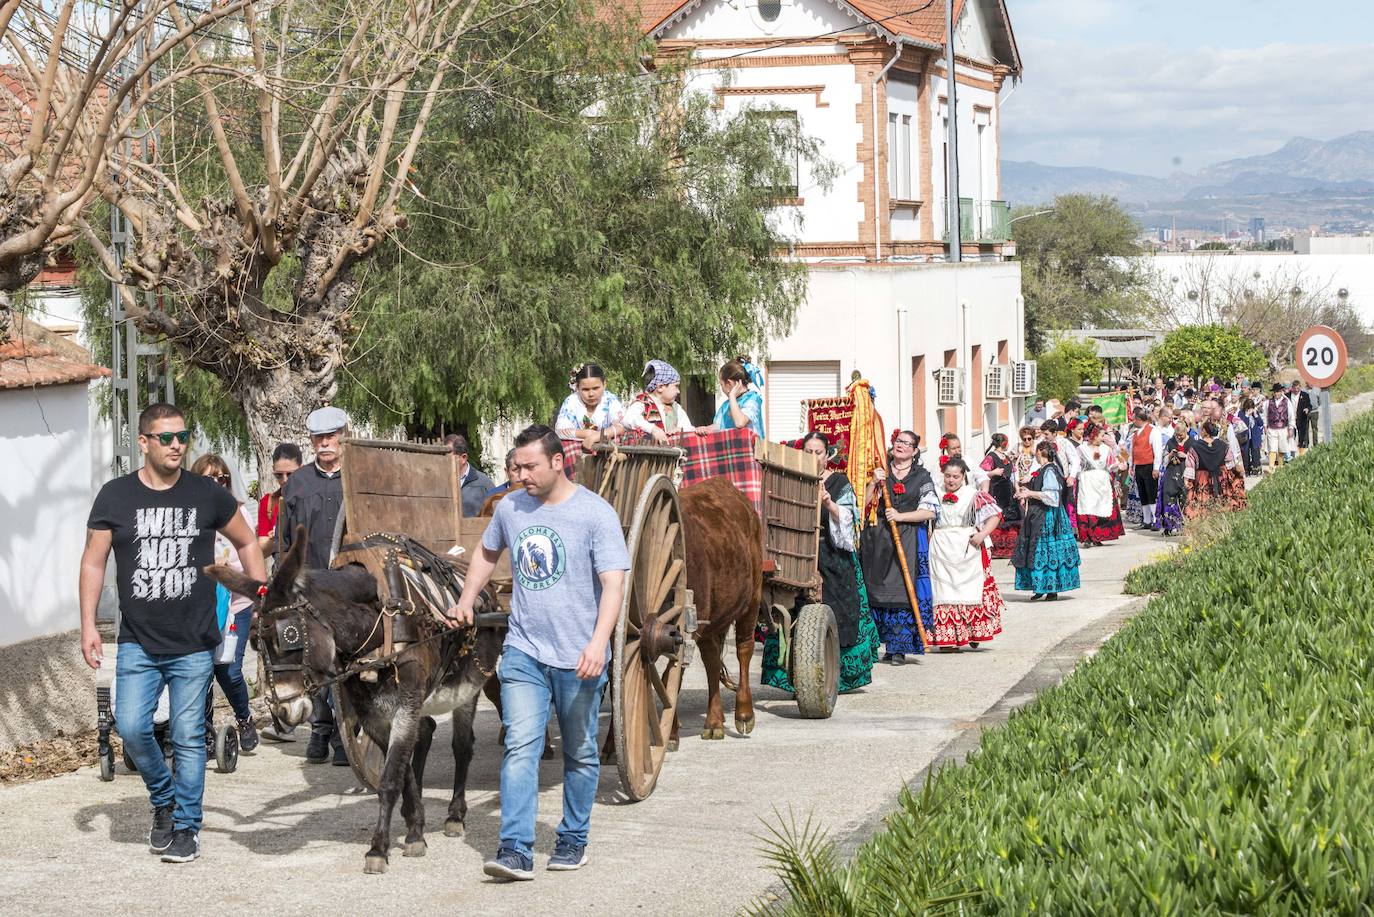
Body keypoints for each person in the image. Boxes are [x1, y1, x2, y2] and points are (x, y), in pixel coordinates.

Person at [79, 403, 266, 864]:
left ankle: (186, 827)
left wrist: (259, 595)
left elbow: (246, 540)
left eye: (182, 436)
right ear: (143, 442)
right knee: (134, 727)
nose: (177, 445)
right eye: (166, 438)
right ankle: (162, 799)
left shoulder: (208, 493)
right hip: (138, 641)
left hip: (193, 643)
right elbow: (93, 561)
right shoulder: (114, 497)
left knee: (186, 737)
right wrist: (87, 624)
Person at [447, 424, 628, 880]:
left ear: (557, 462)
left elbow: (613, 583)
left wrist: (597, 642)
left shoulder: (594, 514)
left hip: (578, 656)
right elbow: (487, 554)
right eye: (517, 466)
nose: (521, 474)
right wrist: (467, 599)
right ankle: (515, 849)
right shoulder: (509, 507)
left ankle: (572, 838)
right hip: (525, 651)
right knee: (520, 745)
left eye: (530, 466)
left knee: (581, 752)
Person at [762, 433, 879, 692]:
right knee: (790, 610)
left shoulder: (839, 482)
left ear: (828, 456)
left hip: (832, 554)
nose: (814, 457)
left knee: (836, 610)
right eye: (809, 452)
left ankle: (833, 677)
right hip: (796, 554)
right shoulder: (790, 478)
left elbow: (851, 522)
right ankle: (795, 678)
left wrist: (829, 503)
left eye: (819, 452)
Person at [279, 406, 349, 765]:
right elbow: (284, 542)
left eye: (331, 436)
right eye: (318, 438)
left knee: (347, 662)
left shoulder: (356, 478)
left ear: (343, 436)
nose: (324, 443)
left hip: (349, 589)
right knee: (316, 662)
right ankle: (321, 732)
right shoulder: (298, 484)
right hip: (309, 589)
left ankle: (343, 736)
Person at [189, 454, 261, 754]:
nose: (217, 484)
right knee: (200, 669)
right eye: (209, 479)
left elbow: (249, 552)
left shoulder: (239, 513)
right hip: (200, 606)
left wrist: (226, 565)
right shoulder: (189, 512)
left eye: (222, 479)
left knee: (228, 670)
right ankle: (204, 731)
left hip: (235, 604)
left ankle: (244, 718)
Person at [862, 431, 938, 665]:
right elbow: (860, 504)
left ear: (915, 451)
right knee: (876, 588)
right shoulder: (879, 471)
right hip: (878, 538)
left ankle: (898, 648)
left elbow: (930, 511)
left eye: (907, 443)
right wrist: (874, 482)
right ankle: (879, 643)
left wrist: (900, 515)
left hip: (908, 537)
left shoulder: (921, 476)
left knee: (902, 590)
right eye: (898, 442)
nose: (901, 446)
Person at [927, 458, 1005, 650]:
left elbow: (995, 515)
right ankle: (948, 640)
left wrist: (982, 534)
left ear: (963, 477)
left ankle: (972, 631)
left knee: (969, 588)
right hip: (941, 544)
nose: (951, 481)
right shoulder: (934, 493)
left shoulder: (973, 495)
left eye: (955, 477)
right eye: (947, 476)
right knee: (943, 590)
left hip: (966, 545)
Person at [1011, 440, 1080, 601]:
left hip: (1049, 517)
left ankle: (1051, 589)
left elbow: (1053, 497)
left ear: (1041, 452)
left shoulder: (1050, 470)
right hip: (1039, 514)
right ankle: (1040, 586)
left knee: (1048, 551)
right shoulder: (1043, 469)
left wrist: (1030, 494)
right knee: (1037, 550)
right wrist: (1026, 491)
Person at [623, 360, 696, 444]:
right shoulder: (643, 403)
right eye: (676, 386)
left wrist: (680, 429)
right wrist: (653, 429)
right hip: (647, 453)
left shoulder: (676, 408)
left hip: (674, 452)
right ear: (660, 387)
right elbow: (628, 419)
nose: (678, 391)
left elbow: (688, 427)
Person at [1185, 420, 1247, 517]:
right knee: (1221, 501)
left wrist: (1188, 483)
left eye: (1201, 429)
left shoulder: (1195, 447)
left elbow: (1190, 467)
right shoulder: (1223, 445)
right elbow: (1230, 464)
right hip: (1220, 477)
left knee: (1204, 504)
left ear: (1204, 431)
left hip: (1202, 478)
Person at [554, 363, 626, 447]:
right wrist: (587, 434)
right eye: (585, 389)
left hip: (607, 447)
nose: (591, 394)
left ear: (604, 385)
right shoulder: (571, 401)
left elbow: (621, 427)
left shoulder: (610, 400)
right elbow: (560, 430)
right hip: (577, 448)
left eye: (595, 388)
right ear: (577, 387)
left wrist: (597, 436)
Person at [1075, 423, 1124, 547]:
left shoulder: (1105, 449)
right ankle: (1087, 537)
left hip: (1102, 482)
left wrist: (1117, 466)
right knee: (1087, 508)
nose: (1103, 438)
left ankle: (1097, 536)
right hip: (1087, 481)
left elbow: (1111, 464)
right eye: (1101, 435)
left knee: (1101, 507)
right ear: (1093, 435)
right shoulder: (1082, 449)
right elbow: (1076, 465)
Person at [256, 442, 302, 555]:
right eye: (279, 475)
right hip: (284, 568)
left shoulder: (313, 497)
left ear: (302, 469)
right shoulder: (268, 503)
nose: (285, 480)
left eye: (290, 474)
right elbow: (262, 552)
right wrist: (274, 539)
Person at [981, 433, 1021, 559]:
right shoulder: (991, 457)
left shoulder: (1006, 456)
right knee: (998, 516)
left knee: (1010, 516)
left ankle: (1010, 547)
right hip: (997, 491)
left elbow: (1014, 473)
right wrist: (993, 472)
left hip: (1008, 490)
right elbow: (981, 474)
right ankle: (998, 548)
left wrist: (1017, 489)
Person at [708, 357, 766, 438]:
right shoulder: (726, 405)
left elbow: (740, 423)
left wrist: (732, 396)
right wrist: (706, 429)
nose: (722, 388)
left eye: (721, 384)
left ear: (729, 383)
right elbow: (718, 426)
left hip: (752, 449)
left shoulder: (753, 399)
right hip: (731, 448)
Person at [1127, 407, 1163, 531]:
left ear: (1139, 419)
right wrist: (1131, 465)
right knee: (1142, 493)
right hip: (1139, 466)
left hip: (1149, 465)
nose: (1133, 422)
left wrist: (1156, 468)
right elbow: (1132, 451)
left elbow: (1157, 451)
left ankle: (1155, 520)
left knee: (1151, 493)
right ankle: (1146, 520)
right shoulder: (1135, 433)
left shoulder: (1153, 431)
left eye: (1134, 419)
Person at [446, 433, 495, 517]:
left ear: (463, 458)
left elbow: (496, 518)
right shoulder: (439, 482)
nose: (443, 461)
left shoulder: (484, 484)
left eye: (448, 458)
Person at [1157, 424, 1189, 536]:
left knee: (1185, 497)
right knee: (1168, 497)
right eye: (1177, 435)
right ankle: (1169, 525)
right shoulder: (1170, 442)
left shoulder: (1192, 443)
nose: (1179, 437)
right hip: (1171, 472)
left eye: (1181, 435)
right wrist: (1171, 455)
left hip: (1186, 473)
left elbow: (1197, 457)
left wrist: (1185, 456)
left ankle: (1185, 525)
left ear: (1186, 432)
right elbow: (1164, 459)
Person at [479, 449, 519, 516]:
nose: (522, 474)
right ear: (507, 472)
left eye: (527, 468)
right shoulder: (493, 496)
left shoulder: (537, 494)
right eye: (516, 470)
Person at [1264, 383, 1290, 474]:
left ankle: (1281, 465)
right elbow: (1265, 415)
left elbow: (1291, 415)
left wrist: (1291, 428)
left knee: (1281, 448)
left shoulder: (1287, 402)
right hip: (1272, 427)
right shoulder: (1268, 402)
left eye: (1278, 392)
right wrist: (1265, 426)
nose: (1277, 393)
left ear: (1281, 392)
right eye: (1275, 392)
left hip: (1283, 427)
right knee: (1272, 447)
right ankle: (1271, 466)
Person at [1239, 398, 1263, 476]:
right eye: (1248, 408)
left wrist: (1256, 415)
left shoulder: (1255, 413)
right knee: (1245, 454)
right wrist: (1246, 416)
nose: (1249, 410)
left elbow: (1260, 423)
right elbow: (1242, 424)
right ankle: (1246, 470)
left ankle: (1256, 469)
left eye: (1251, 408)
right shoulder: (1241, 413)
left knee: (1255, 452)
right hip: (1245, 437)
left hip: (1254, 436)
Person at [1295, 381, 1315, 455]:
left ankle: (1302, 452)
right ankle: (1292, 453)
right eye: (1295, 388)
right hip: (1294, 417)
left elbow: (1310, 405)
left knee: (1310, 431)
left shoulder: (1306, 394)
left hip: (1308, 414)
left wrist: (1308, 409)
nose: (1296, 390)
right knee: (1293, 435)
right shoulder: (1290, 395)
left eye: (1297, 388)